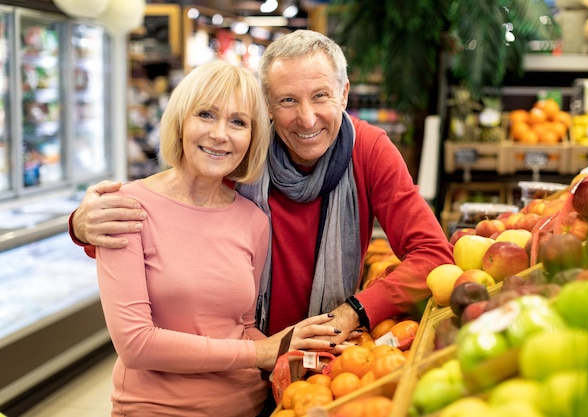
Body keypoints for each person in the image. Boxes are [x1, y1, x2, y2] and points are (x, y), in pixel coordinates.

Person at [70, 29, 453, 345]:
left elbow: (433, 254)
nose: (306, 118)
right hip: (235, 355)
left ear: (345, 93)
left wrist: (354, 311)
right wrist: (82, 225)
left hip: (327, 352)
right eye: (288, 100)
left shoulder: (368, 151)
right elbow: (168, 208)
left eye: (320, 96)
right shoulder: (239, 150)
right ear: (267, 105)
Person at [94, 60, 339, 417]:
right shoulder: (125, 209)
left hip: (249, 406)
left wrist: (293, 349)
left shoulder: (253, 221)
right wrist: (261, 352)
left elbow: (242, 327)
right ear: (180, 121)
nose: (220, 134)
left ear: (252, 138)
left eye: (238, 122)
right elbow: (136, 345)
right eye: (206, 115)